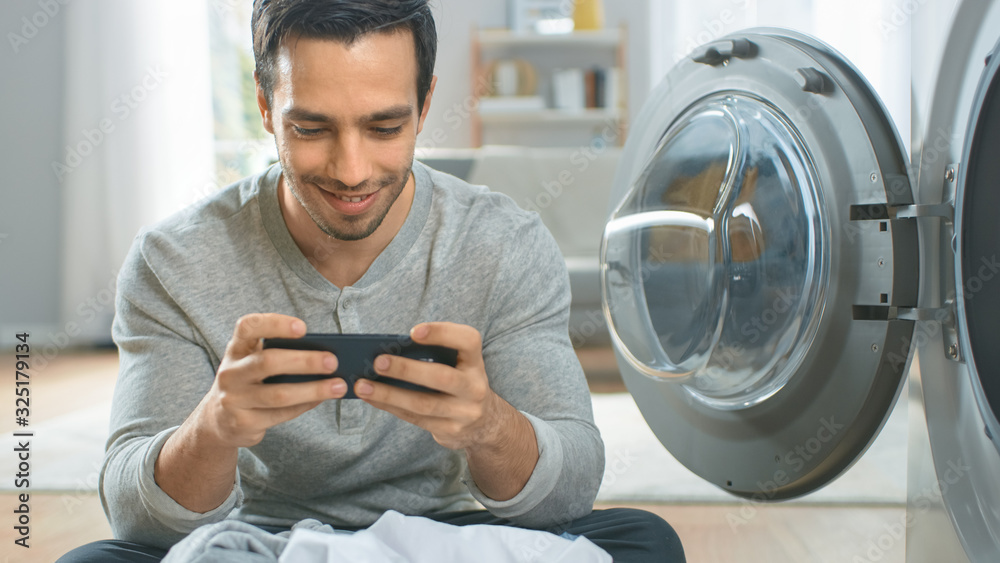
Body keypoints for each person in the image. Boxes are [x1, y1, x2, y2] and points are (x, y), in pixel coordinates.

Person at [58, 1, 685, 561]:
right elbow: (136, 517)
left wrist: (487, 426)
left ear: (426, 105)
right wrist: (214, 428)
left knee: (645, 541)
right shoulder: (172, 260)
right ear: (265, 106)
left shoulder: (504, 244)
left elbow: (571, 488)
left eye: (384, 127)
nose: (351, 170)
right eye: (311, 128)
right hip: (260, 543)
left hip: (446, 536)